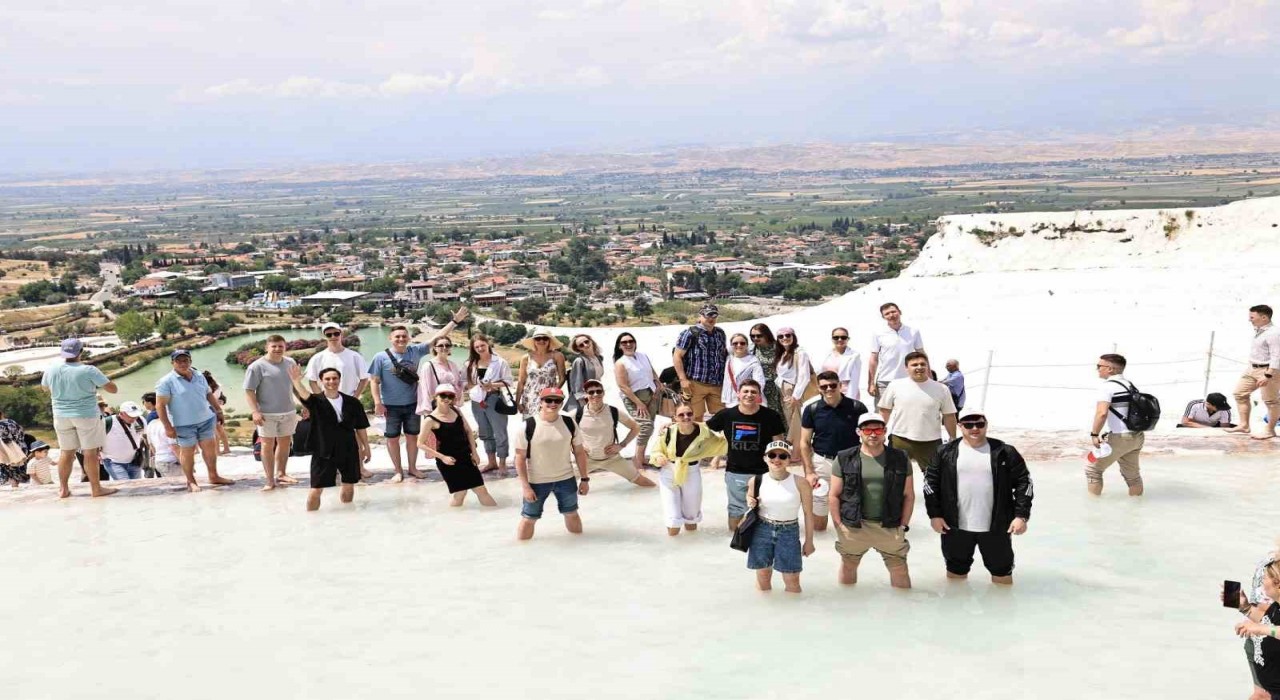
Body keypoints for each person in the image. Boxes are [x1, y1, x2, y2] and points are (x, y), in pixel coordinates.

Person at [925, 409, 1033, 585]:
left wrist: (1021, 516)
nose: (975, 428)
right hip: (954, 526)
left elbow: (1024, 483)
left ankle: (1003, 612)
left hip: (997, 527)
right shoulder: (945, 452)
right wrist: (935, 515)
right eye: (968, 424)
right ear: (960, 426)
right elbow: (930, 484)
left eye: (979, 424)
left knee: (1002, 578)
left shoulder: (1005, 451)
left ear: (986, 425)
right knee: (956, 576)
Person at [829, 413, 915, 589]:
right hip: (854, 526)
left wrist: (903, 525)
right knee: (849, 566)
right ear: (858, 432)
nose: (873, 434)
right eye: (867, 429)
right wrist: (839, 525)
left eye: (878, 429)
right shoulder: (844, 458)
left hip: (890, 526)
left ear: (885, 432)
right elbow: (833, 495)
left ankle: (904, 613)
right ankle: (846, 609)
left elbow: (909, 495)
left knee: (900, 570)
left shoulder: (900, 458)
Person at [40, 337, 118, 498]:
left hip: (61, 416)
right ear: (81, 352)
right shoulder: (88, 370)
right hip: (86, 415)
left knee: (66, 452)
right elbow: (113, 390)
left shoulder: (51, 369)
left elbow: (44, 388)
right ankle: (96, 489)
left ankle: (63, 489)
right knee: (90, 452)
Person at [289, 364, 370, 512]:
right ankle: (312, 520)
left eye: (334, 378)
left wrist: (366, 447)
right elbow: (304, 394)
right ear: (321, 381)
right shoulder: (315, 401)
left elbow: (360, 426)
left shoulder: (352, 402)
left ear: (339, 380)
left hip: (348, 447)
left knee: (349, 484)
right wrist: (296, 381)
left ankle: (348, 514)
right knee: (316, 488)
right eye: (327, 379)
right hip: (323, 450)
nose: (331, 381)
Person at [706, 380, 786, 530]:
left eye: (753, 392)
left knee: (765, 511)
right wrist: (673, 425)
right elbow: (703, 430)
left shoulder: (771, 416)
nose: (749, 395)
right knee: (736, 510)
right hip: (735, 472)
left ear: (759, 396)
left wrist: (780, 471)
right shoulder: (726, 415)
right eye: (746, 391)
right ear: (738, 394)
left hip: (763, 473)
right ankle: (734, 545)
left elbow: (779, 445)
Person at [514, 387, 590, 540]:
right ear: (541, 402)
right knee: (529, 518)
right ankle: (521, 555)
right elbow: (519, 458)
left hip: (566, 479)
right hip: (537, 482)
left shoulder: (569, 422)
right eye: (548, 400)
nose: (553, 403)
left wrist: (584, 479)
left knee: (572, 514)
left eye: (557, 400)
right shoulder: (527, 426)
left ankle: (581, 549)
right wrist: (525, 487)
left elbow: (579, 452)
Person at [799, 370, 869, 531]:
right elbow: (804, 442)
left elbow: (869, 437)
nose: (829, 389)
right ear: (818, 388)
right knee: (819, 515)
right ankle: (823, 551)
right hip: (822, 462)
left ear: (840, 385)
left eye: (832, 385)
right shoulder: (812, 409)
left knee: (849, 510)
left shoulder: (857, 407)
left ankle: (846, 551)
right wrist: (809, 472)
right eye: (824, 387)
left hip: (850, 462)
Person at [156, 348, 233, 493]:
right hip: (183, 424)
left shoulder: (198, 375)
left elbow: (208, 394)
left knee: (209, 449)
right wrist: (168, 427)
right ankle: (191, 482)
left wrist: (218, 410)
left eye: (185, 360)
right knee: (188, 452)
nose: (182, 363)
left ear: (190, 361)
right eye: (178, 361)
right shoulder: (166, 382)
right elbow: (160, 405)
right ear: (172, 363)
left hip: (205, 420)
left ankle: (213, 476)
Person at [369, 324, 439, 481]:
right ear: (390, 338)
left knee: (412, 437)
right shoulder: (380, 357)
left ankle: (413, 468)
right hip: (390, 405)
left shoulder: (415, 351)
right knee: (392, 438)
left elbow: (436, 339)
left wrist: (454, 322)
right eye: (397, 336)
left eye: (404, 336)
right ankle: (398, 470)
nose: (401, 339)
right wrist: (377, 402)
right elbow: (374, 381)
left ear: (408, 337)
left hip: (413, 404)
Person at [745, 441, 816, 593]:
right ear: (765, 458)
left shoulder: (801, 482)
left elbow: (808, 514)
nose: (777, 459)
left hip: (789, 531)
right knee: (763, 576)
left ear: (789, 459)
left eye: (782, 456)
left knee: (792, 579)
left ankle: (794, 614)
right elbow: (750, 496)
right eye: (772, 455)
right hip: (761, 529)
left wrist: (809, 541)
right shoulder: (756, 480)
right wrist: (749, 500)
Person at [649, 401, 727, 536]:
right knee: (673, 518)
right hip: (669, 472)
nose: (686, 417)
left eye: (689, 413)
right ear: (675, 417)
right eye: (681, 415)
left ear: (694, 414)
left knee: (691, 518)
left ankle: (692, 549)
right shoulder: (668, 431)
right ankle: (673, 551)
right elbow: (655, 451)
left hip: (692, 472)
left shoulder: (705, 433)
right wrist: (659, 457)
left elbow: (723, 443)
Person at [878, 351, 957, 474]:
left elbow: (949, 415)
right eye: (914, 365)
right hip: (900, 439)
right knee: (895, 476)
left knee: (933, 479)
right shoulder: (895, 385)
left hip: (931, 442)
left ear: (927, 366)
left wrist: (953, 438)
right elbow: (884, 411)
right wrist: (879, 433)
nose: (919, 367)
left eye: (922, 364)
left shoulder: (942, 389)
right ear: (906, 368)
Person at [420, 384, 497, 507]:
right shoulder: (430, 420)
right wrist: (442, 457)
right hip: (449, 461)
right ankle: (452, 522)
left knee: (480, 490)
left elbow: (468, 431)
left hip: (465, 456)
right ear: (436, 397)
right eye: (443, 395)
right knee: (461, 493)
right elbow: (420, 444)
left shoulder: (456, 411)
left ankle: (495, 518)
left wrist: (475, 453)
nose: (447, 399)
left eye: (450, 396)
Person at [244, 335, 301, 491]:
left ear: (285, 347)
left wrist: (304, 404)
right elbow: (249, 391)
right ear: (266, 348)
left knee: (285, 443)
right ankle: (269, 480)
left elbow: (295, 386)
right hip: (266, 414)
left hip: (288, 411)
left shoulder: (291, 363)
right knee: (267, 446)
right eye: (274, 346)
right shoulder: (256, 367)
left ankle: (281, 473)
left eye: (280, 346)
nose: (277, 349)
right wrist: (255, 411)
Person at [575, 378, 655, 488]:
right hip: (586, 460)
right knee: (557, 482)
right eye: (591, 392)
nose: (595, 394)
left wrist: (622, 445)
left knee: (647, 484)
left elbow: (636, 427)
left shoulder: (613, 411)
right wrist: (576, 447)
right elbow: (563, 434)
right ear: (585, 395)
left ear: (603, 393)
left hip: (612, 459)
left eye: (599, 391)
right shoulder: (576, 414)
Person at [1087, 353, 1144, 497]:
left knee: (1093, 470)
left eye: (1099, 366)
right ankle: (1135, 512)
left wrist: (1094, 434)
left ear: (1110, 369)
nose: (1097, 369)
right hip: (1137, 436)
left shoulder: (1107, 387)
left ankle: (1093, 511)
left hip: (1120, 437)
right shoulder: (1130, 385)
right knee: (1133, 476)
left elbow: (1102, 413)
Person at [1228, 557, 1280, 700]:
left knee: (1261, 695)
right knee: (1260, 695)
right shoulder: (1276, 607)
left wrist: (1260, 629)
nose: (1262, 582)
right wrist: (1244, 607)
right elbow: (1266, 619)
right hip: (1261, 649)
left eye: (1265, 578)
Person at [613, 331, 662, 474]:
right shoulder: (620, 363)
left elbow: (651, 372)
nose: (628, 344)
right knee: (645, 426)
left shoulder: (643, 356)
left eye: (630, 341)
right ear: (620, 346)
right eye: (624, 342)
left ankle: (640, 457)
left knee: (650, 426)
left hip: (651, 394)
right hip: (634, 398)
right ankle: (638, 459)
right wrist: (638, 403)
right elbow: (622, 386)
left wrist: (658, 383)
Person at [466, 333, 515, 475]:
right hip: (477, 402)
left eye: (482, 345)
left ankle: (502, 463)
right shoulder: (470, 364)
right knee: (485, 432)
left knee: (500, 432)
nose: (480, 348)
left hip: (494, 398)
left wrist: (492, 385)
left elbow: (509, 382)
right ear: (473, 348)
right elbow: (466, 382)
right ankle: (491, 461)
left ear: (488, 344)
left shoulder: (499, 362)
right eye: (477, 347)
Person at [1229, 305, 1280, 440]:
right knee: (1240, 393)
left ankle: (1270, 430)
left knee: (1271, 401)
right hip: (1252, 368)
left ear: (1264, 318)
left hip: (1268, 370)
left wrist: (1268, 375)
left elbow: (1277, 356)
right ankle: (1244, 425)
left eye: (1252, 317)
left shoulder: (1274, 333)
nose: (1249, 320)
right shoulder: (1259, 329)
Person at [672, 303, 728, 421]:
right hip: (695, 383)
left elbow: (723, 354)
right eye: (708, 315)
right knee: (695, 417)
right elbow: (677, 356)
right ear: (701, 316)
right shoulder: (690, 333)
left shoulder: (720, 333)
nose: (711, 318)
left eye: (714, 315)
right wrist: (683, 379)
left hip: (717, 383)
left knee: (722, 416)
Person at [867, 302, 925, 406]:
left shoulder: (913, 331)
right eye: (887, 313)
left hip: (909, 380)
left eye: (893, 311)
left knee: (908, 412)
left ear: (900, 312)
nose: (891, 315)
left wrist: (928, 375)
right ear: (883, 317)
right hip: (885, 381)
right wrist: (871, 383)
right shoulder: (878, 333)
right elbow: (873, 359)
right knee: (883, 415)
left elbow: (921, 354)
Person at [774, 326, 814, 449]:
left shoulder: (800, 353)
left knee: (796, 421)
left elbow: (804, 376)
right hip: (784, 390)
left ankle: (797, 451)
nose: (784, 338)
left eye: (788, 335)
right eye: (781, 336)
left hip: (794, 390)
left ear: (793, 336)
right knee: (791, 420)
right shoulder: (782, 353)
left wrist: (796, 395)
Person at [306, 322, 371, 398]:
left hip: (348, 402)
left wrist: (354, 398)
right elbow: (312, 381)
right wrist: (322, 400)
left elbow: (364, 378)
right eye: (329, 335)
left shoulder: (355, 356)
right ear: (324, 337)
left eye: (336, 333)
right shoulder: (317, 358)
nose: (333, 336)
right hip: (327, 404)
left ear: (341, 334)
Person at [516, 329, 567, 417]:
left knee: (548, 425)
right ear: (534, 341)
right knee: (530, 427)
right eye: (538, 338)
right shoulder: (526, 358)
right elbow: (521, 381)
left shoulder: (557, 356)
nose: (541, 341)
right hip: (529, 397)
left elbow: (562, 378)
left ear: (549, 340)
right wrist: (517, 402)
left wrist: (552, 394)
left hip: (549, 399)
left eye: (545, 338)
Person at [100, 400, 148, 481]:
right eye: (131, 416)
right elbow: (96, 439)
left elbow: (144, 437)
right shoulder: (108, 422)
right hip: (113, 462)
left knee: (136, 486)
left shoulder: (141, 420)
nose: (134, 418)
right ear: (121, 413)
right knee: (126, 485)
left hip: (135, 461)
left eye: (135, 415)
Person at [721, 333, 766, 409]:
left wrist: (750, 396)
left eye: (742, 343)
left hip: (748, 400)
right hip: (730, 400)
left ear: (747, 345)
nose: (739, 345)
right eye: (735, 343)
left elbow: (759, 382)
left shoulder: (753, 361)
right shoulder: (729, 358)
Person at [750, 324, 784, 421]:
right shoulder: (752, 349)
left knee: (777, 413)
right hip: (760, 387)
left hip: (776, 387)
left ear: (766, 334)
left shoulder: (778, 347)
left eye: (759, 335)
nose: (755, 338)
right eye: (753, 336)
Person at [565, 334, 605, 414]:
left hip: (596, 396)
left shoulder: (598, 358)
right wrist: (583, 404)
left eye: (586, 341)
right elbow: (577, 385)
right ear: (578, 348)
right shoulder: (579, 361)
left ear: (591, 341)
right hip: (586, 399)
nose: (585, 345)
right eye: (581, 345)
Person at [820, 327, 862, 401]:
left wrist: (850, 401)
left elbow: (854, 381)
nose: (840, 340)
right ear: (832, 339)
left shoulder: (854, 356)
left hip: (845, 393)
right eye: (836, 337)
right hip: (828, 392)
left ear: (848, 339)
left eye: (843, 337)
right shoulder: (826, 354)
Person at [202, 370, 233, 455]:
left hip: (209, 409)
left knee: (214, 432)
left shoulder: (205, 388)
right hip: (218, 409)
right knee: (221, 430)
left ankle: (217, 451)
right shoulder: (218, 386)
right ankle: (226, 448)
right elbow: (220, 398)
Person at [145, 409, 180, 476]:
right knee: (179, 485)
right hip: (172, 462)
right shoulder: (169, 424)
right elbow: (174, 447)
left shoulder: (151, 424)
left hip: (160, 461)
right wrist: (187, 465)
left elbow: (151, 446)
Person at [0, 410, 29, 487]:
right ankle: (16, 487)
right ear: (2, 414)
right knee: (18, 471)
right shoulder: (12, 422)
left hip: (8, 452)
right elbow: (21, 433)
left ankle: (14, 488)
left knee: (9, 472)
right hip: (20, 449)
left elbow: (4, 439)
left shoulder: (0, 425)